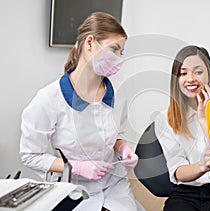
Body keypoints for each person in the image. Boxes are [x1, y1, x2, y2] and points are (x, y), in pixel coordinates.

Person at [20, 12, 142, 211]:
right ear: (90, 42)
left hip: (114, 188)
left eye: (122, 52)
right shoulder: (49, 99)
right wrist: (75, 166)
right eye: (114, 49)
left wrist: (123, 149)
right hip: (71, 189)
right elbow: (30, 155)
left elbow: (117, 136)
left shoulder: (118, 93)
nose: (119, 59)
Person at [154, 45, 210, 211]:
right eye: (183, 73)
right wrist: (203, 165)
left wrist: (205, 120)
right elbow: (178, 172)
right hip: (184, 193)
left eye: (198, 71)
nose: (190, 79)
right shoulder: (165, 119)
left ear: (209, 75)